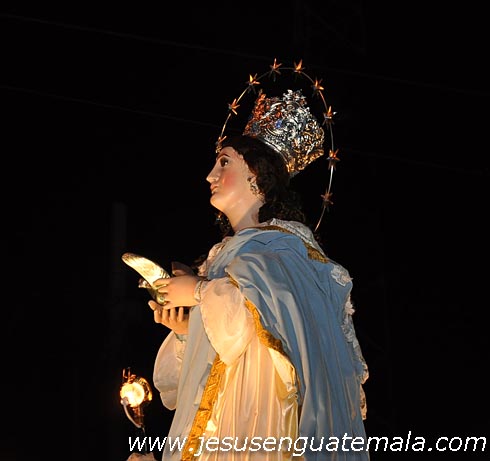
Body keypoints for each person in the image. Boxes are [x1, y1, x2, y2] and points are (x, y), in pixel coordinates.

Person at [147, 83, 369, 460]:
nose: (210, 175)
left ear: (256, 172)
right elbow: (209, 370)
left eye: (224, 162)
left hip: (260, 422)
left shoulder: (284, 249)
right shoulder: (225, 255)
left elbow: (275, 324)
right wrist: (188, 329)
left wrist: (199, 292)